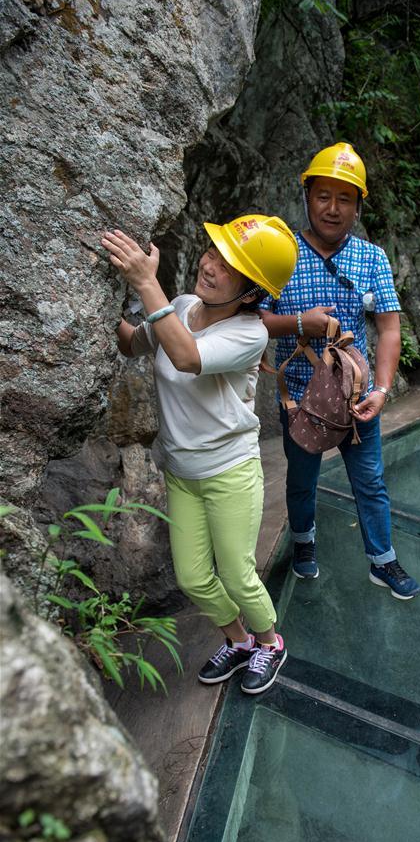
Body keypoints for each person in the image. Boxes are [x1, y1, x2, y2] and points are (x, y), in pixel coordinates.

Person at [102, 215, 298, 695]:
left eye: (229, 265)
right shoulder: (183, 306)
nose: (210, 265)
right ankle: (238, 641)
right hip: (182, 471)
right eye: (213, 252)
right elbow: (135, 343)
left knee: (235, 572)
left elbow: (187, 357)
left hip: (230, 472)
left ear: (251, 294)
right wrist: (96, 305)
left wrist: (147, 283)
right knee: (193, 578)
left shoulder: (250, 334)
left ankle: (270, 643)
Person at [259, 142, 420, 599]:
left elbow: (390, 329)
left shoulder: (372, 258)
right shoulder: (281, 251)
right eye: (323, 196)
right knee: (301, 479)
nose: (332, 208)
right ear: (307, 196)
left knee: (370, 481)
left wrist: (384, 389)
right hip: (300, 399)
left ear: (358, 206)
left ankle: (382, 561)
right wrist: (298, 323)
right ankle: (304, 543)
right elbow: (254, 323)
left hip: (356, 397)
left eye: (344, 198)